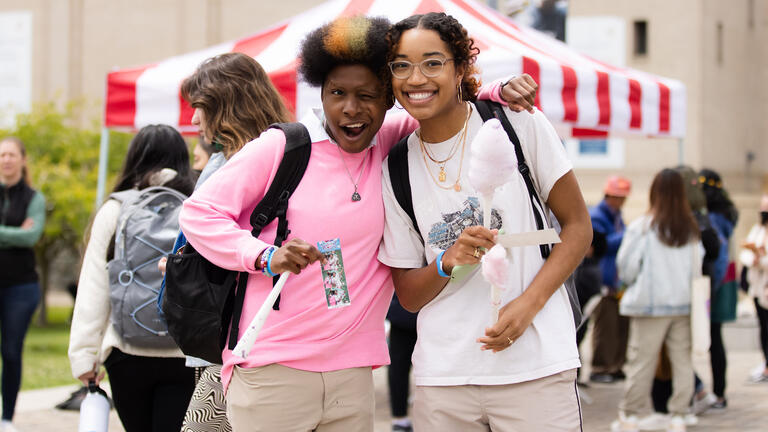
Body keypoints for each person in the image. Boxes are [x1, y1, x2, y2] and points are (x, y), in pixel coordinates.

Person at [179, 15, 535, 432]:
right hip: (274, 369)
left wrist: (496, 89)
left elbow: (445, 107)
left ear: (389, 99)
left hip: (353, 375)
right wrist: (265, 256)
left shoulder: (390, 140)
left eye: (367, 95)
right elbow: (198, 213)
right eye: (337, 93)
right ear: (322, 94)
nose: (351, 108)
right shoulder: (284, 146)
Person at [379, 12, 592, 430]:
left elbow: (578, 228)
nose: (415, 77)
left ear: (461, 68)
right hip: (444, 378)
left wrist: (528, 306)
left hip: (537, 366)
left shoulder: (515, 122)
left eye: (432, 62)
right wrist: (448, 260)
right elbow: (407, 295)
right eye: (401, 65)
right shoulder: (395, 166)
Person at [170, 51, 293, 432]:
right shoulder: (225, 157)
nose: (192, 119)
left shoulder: (258, 161)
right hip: (222, 328)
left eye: (200, 107)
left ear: (226, 105)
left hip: (246, 333)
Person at [68, 125, 197, 432]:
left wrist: (84, 356)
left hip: (126, 352)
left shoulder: (116, 209)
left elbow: (93, 286)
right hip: (184, 351)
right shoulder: (199, 205)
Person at [611, 168, 702, 432]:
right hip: (684, 305)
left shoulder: (643, 227)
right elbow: (698, 268)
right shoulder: (691, 230)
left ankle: (630, 416)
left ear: (654, 193)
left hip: (649, 305)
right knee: (683, 361)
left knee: (641, 362)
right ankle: (679, 414)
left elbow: (626, 266)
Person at [0, 137, 45, 432]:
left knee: (11, 351)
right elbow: (21, 235)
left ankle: (7, 417)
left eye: (12, 154)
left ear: (22, 159)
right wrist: (13, 231)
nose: (6, 159)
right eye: (2, 154)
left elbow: (31, 237)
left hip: (21, 288)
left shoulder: (34, 198)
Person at [589, 175, 632, 384]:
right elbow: (601, 245)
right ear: (608, 195)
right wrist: (629, 235)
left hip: (617, 280)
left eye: (623, 198)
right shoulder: (597, 216)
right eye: (617, 197)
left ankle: (616, 366)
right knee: (605, 327)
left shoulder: (617, 216)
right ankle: (601, 367)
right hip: (603, 278)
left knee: (620, 326)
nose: (621, 201)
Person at [739, 194, 768, 383]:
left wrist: (762, 260)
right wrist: (754, 258)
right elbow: (745, 255)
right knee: (764, 328)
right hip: (757, 287)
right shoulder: (757, 229)